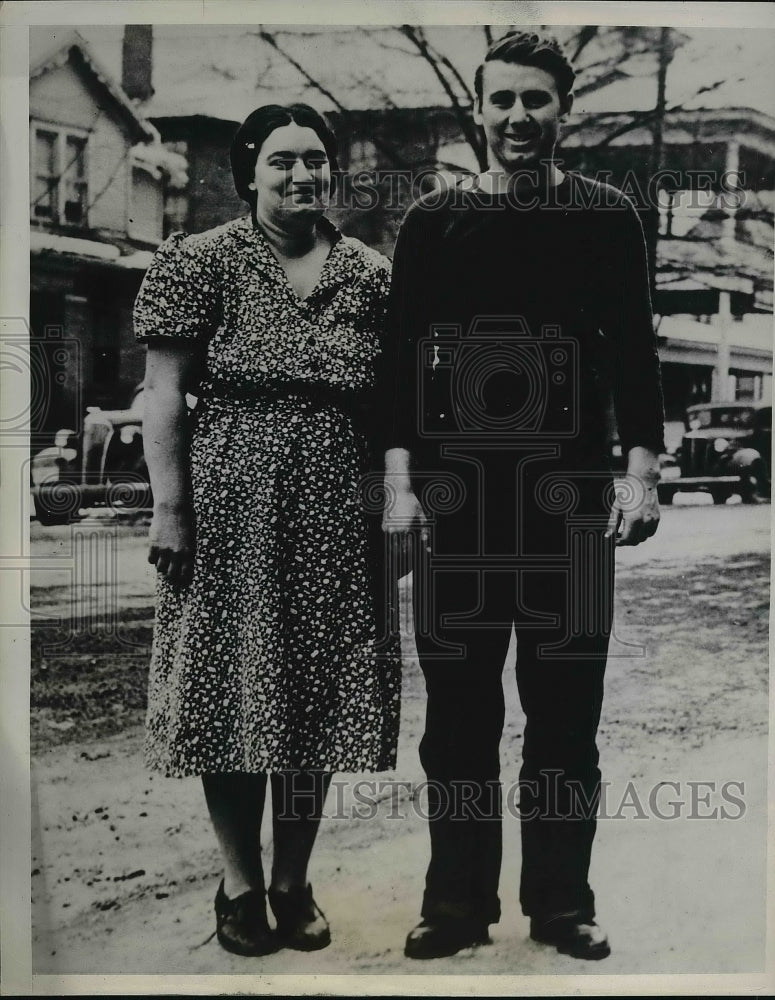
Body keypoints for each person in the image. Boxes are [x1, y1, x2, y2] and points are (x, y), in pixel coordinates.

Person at [382, 31, 664, 961]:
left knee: (564, 713)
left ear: (562, 110)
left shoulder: (607, 216)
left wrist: (639, 471)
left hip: (571, 500)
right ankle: (454, 903)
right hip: (458, 501)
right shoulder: (433, 221)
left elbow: (632, 349)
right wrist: (401, 485)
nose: (517, 119)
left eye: (535, 101)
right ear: (478, 109)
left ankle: (560, 904)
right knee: (457, 717)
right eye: (500, 100)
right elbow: (399, 362)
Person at [134, 103, 400, 957]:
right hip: (228, 505)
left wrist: (394, 503)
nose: (301, 176)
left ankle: (293, 880)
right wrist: (171, 506)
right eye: (282, 161)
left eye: (315, 160)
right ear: (248, 171)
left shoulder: (368, 272)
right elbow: (165, 397)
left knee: (316, 694)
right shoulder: (198, 261)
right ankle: (238, 883)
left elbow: (391, 403)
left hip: (334, 503)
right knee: (230, 685)